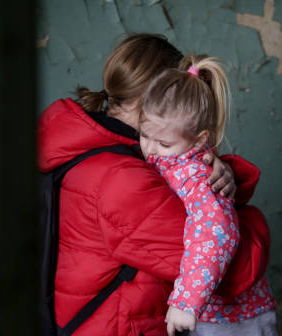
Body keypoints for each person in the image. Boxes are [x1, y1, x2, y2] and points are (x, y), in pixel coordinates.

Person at [38, 34, 270, 335]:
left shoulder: (87, 147)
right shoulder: (123, 179)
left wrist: (216, 168)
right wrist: (254, 222)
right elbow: (235, 270)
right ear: (155, 97)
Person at [138, 55, 276, 336]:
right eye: (144, 135)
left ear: (200, 139)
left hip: (229, 319)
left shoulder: (196, 176)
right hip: (211, 311)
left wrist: (186, 302)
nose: (150, 149)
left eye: (163, 143)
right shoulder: (169, 158)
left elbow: (216, 230)